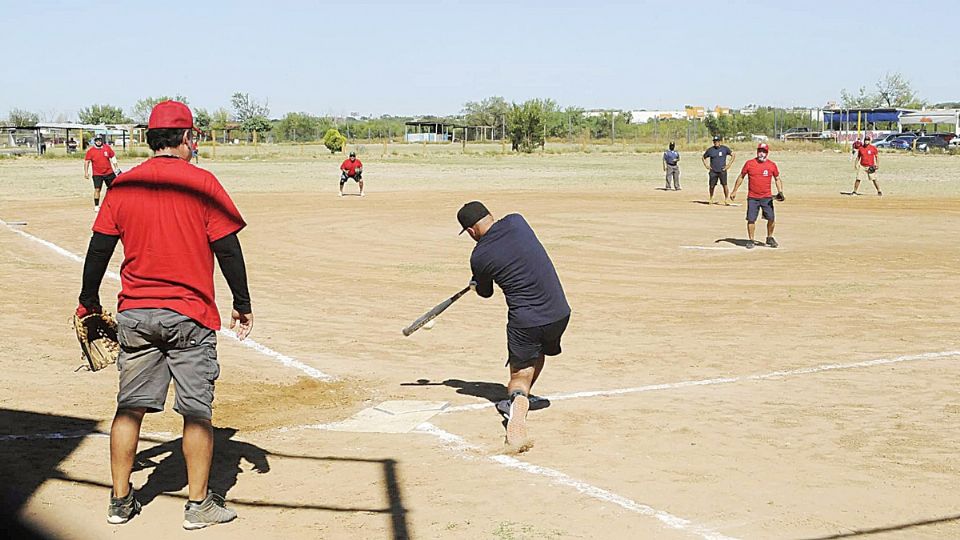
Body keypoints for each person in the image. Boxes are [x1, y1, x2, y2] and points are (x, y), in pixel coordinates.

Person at [75, 100, 253, 529]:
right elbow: (227, 248)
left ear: (150, 139)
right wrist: (242, 303)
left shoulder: (123, 185)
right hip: (190, 315)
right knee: (195, 412)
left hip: (136, 313)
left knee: (129, 408)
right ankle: (198, 506)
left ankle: (120, 501)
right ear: (188, 138)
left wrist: (88, 300)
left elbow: (99, 248)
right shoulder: (202, 183)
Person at [458, 201, 570, 448]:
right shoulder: (517, 221)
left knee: (519, 375)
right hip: (559, 312)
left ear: (470, 231)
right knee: (538, 351)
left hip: (526, 320)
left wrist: (477, 282)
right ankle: (523, 396)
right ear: (490, 215)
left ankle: (518, 399)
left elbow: (485, 293)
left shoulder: (479, 256)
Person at [730, 143, 783, 249]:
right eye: (760, 151)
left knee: (771, 218)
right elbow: (741, 177)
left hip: (766, 197)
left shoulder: (771, 165)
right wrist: (734, 191)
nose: (761, 153)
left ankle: (769, 237)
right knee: (751, 219)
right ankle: (751, 239)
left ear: (767, 153)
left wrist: (780, 191)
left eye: (763, 151)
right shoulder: (749, 164)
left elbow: (777, 178)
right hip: (753, 197)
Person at [84, 136, 120, 212]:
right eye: (97, 140)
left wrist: (116, 168)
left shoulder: (107, 148)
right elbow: (87, 161)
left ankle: (113, 204)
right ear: (95, 141)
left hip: (109, 172)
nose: (98, 142)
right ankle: (96, 206)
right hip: (97, 174)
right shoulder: (91, 151)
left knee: (113, 189)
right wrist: (86, 172)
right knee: (97, 189)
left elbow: (113, 157)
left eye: (100, 140)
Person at [702, 136, 735, 205]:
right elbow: (703, 157)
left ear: (720, 142)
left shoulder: (724, 149)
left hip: (722, 170)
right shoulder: (710, 150)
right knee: (711, 185)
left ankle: (726, 199)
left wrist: (728, 165)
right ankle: (711, 198)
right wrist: (706, 165)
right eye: (714, 141)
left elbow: (733, 155)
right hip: (713, 171)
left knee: (724, 185)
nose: (716, 143)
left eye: (717, 141)